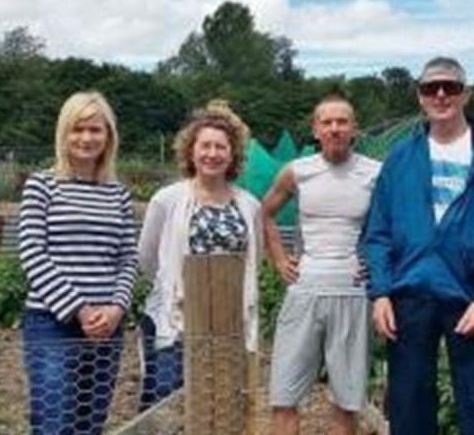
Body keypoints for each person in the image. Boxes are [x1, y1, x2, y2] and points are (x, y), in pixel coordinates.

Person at [362, 56, 474, 435]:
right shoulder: (401, 156)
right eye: (432, 88)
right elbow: (378, 230)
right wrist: (381, 293)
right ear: (420, 96)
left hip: (470, 295)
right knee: (409, 405)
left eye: (451, 87)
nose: (441, 95)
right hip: (411, 293)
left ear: (466, 94)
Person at [19, 91, 138, 435]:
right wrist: (80, 310)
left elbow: (128, 257)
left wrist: (116, 308)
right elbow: (31, 251)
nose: (86, 138)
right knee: (54, 423)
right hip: (52, 322)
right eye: (78, 129)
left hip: (107, 326)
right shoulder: (42, 185)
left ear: (108, 136)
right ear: (64, 133)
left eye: (95, 130)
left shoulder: (118, 193)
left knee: (90, 424)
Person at [264, 95, 381, 435]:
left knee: (346, 399)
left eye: (342, 122)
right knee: (284, 395)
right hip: (305, 290)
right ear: (315, 130)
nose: (334, 129)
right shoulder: (297, 172)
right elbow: (265, 212)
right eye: (327, 122)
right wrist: (279, 258)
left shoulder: (375, 173)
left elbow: (396, 225)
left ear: (354, 128)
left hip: (352, 291)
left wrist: (377, 264)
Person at [137, 101, 262, 410]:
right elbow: (147, 257)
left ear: (232, 154)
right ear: (191, 151)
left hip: (227, 323)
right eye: (205, 145)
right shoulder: (167, 200)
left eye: (221, 147)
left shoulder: (249, 205)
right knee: (165, 400)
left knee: (218, 404)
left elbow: (253, 261)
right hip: (176, 320)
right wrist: (176, 288)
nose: (212, 154)